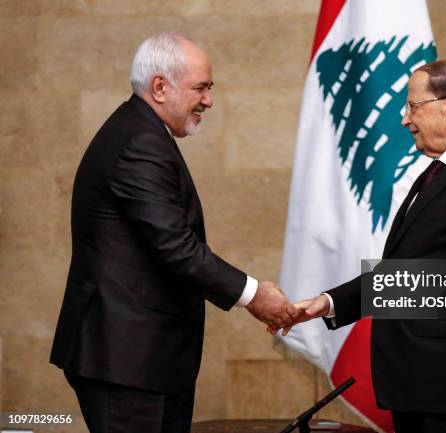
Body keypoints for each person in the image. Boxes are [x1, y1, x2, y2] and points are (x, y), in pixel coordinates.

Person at [50, 32, 297, 433]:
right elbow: (177, 248)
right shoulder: (139, 142)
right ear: (160, 87)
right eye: (201, 88)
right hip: (125, 361)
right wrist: (254, 295)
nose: (209, 101)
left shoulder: (140, 131)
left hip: (141, 359)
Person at [280, 60, 446, 433]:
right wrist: (329, 303)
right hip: (418, 384)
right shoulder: (440, 172)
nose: (404, 119)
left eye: (412, 106)